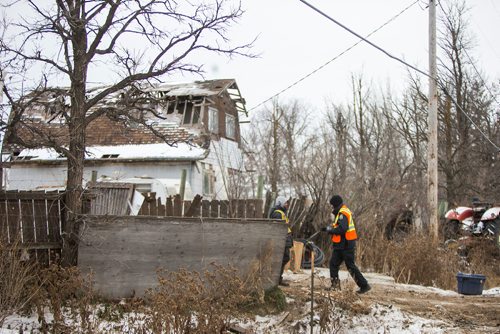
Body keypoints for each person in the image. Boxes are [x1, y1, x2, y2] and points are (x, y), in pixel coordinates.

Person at [321, 195, 371, 294]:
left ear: (335, 204)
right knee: (333, 264)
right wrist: (328, 228)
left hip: (346, 244)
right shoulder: (341, 212)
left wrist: (330, 230)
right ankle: (335, 286)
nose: (331, 207)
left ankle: (364, 285)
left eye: (332, 205)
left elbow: (342, 229)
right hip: (341, 244)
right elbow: (339, 226)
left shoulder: (343, 213)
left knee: (350, 265)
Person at [269, 196, 293, 287]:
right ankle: (276, 279)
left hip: (285, 239)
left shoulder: (281, 213)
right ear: (280, 203)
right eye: (285, 203)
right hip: (282, 240)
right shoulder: (278, 213)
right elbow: (277, 229)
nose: (287, 205)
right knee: (282, 259)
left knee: (284, 258)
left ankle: (278, 279)